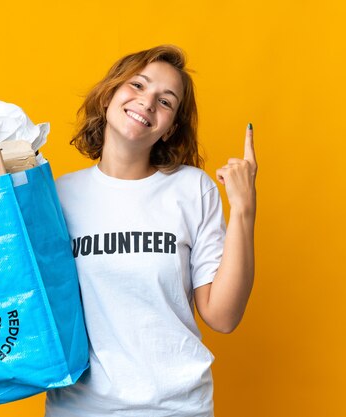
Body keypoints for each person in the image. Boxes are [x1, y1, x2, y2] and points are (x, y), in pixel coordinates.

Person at [45, 45, 257, 417]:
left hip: (176, 408)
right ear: (110, 94)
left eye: (165, 101)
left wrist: (243, 209)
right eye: (138, 85)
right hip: (80, 408)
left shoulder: (193, 189)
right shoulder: (60, 195)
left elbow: (223, 316)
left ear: (170, 128)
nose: (147, 102)